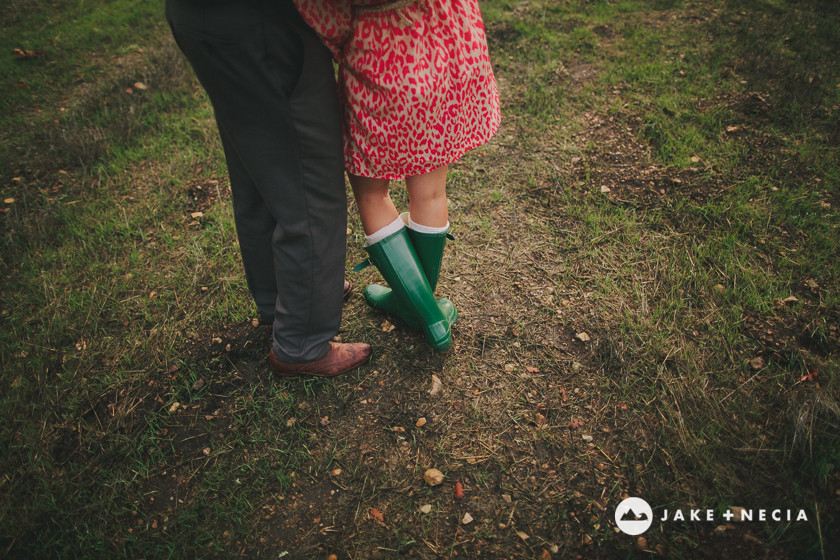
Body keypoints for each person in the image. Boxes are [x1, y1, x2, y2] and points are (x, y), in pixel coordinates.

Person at [165, 0, 372, 377]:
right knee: (310, 179)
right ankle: (302, 342)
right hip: (263, 24)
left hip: (198, 17)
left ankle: (283, 296)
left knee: (258, 161)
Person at [294, 0, 501, 351]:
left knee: (373, 194)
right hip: (447, 46)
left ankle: (426, 314)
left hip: (381, 59)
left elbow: (324, 16)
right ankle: (418, 304)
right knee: (431, 194)